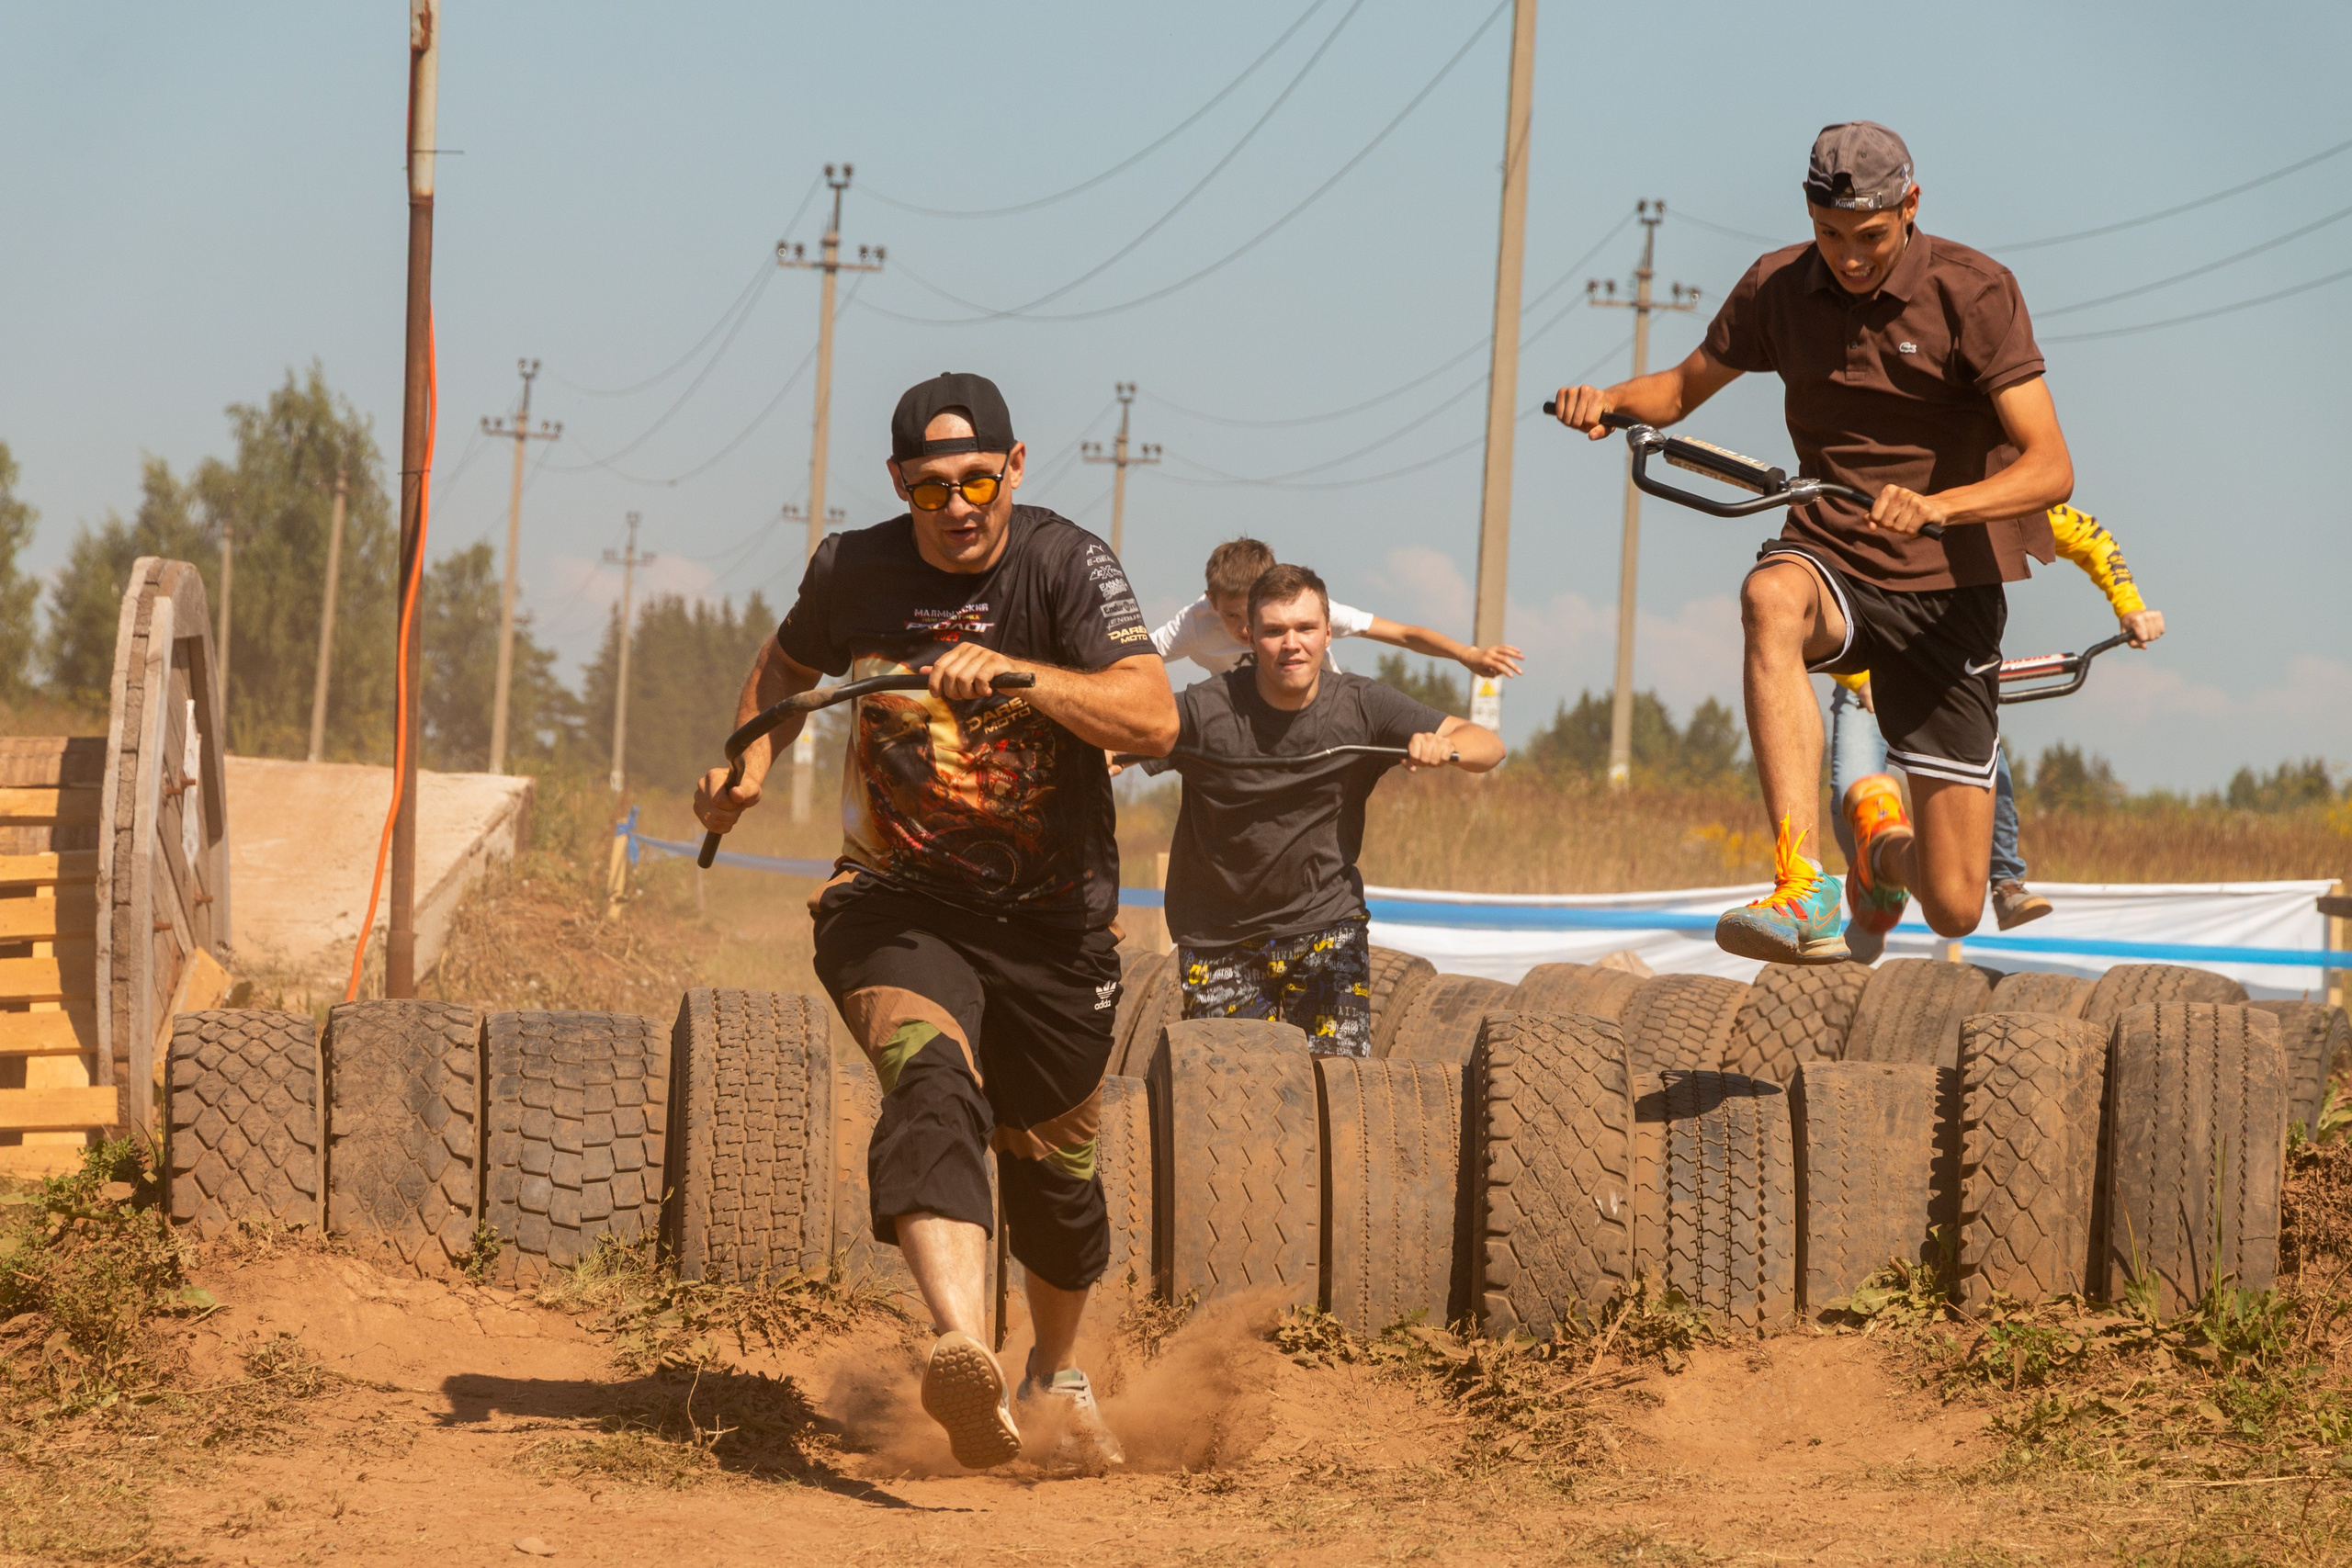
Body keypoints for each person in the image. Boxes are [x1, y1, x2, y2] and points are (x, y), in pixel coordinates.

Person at [693, 372, 1177, 1472]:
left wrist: (1017, 673)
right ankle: (962, 1346)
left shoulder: (1064, 563)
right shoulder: (852, 569)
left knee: (1055, 1176)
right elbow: (785, 663)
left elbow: (1152, 717)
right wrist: (747, 760)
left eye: (974, 480)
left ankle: (1055, 1370)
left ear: (1012, 467)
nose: (956, 508)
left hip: (1057, 927)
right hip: (893, 901)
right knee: (930, 1079)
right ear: (899, 487)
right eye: (928, 489)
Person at [1551, 121, 2075, 964]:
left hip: (1950, 589)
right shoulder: (1777, 288)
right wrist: (1604, 399)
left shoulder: (1974, 291)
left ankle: (1876, 851)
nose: (1850, 257)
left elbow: (2051, 467)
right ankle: (1803, 880)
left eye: (1869, 237)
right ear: (1808, 213)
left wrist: (1943, 507)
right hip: (1834, 548)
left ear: (1910, 206)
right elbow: (1682, 390)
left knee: (1953, 905)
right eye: (1830, 236)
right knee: (1769, 599)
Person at [1156, 563, 1503, 1055]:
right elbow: (1119, 736)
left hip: (1326, 930)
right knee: (1232, 1105)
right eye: (1275, 631)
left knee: (1337, 1096)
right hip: (1219, 939)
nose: (1291, 643)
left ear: (1327, 634)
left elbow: (1488, 744)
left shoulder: (1362, 704)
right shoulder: (1205, 708)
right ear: (1250, 637)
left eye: (1305, 628)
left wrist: (1443, 748)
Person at [1830, 503, 2168, 958]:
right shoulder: (1877, 506)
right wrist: (1858, 679)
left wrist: (2131, 607)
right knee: (1850, 792)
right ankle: (1873, 890)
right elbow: (1824, 602)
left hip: (1947, 677)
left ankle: (2005, 879)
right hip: (1869, 678)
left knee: (1988, 770)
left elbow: (2093, 539)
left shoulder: (1998, 504)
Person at [1152, 536, 1524, 681]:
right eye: (1230, 616)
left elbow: (1402, 634)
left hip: (1321, 706)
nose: (1243, 629)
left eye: (1251, 615)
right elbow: (1129, 658)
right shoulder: (1193, 624)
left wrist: (1467, 654)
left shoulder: (1300, 608)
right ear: (1211, 602)